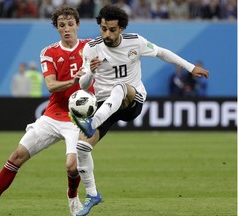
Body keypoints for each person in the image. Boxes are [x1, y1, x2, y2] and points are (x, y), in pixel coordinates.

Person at [69, 4, 209, 216]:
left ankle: (91, 123)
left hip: (131, 99)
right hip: (103, 105)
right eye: (103, 28)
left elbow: (162, 52)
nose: (107, 33)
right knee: (81, 147)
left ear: (121, 29)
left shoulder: (135, 42)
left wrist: (190, 67)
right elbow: (83, 84)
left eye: (112, 29)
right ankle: (93, 194)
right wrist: (90, 70)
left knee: (120, 87)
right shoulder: (91, 48)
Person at [0, 5, 93, 216]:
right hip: (53, 115)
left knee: (72, 166)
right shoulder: (48, 52)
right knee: (17, 156)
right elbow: (51, 85)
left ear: (78, 25)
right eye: (61, 25)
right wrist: (73, 80)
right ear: (56, 28)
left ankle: (73, 195)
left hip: (77, 119)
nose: (67, 29)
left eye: (70, 24)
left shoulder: (91, 47)